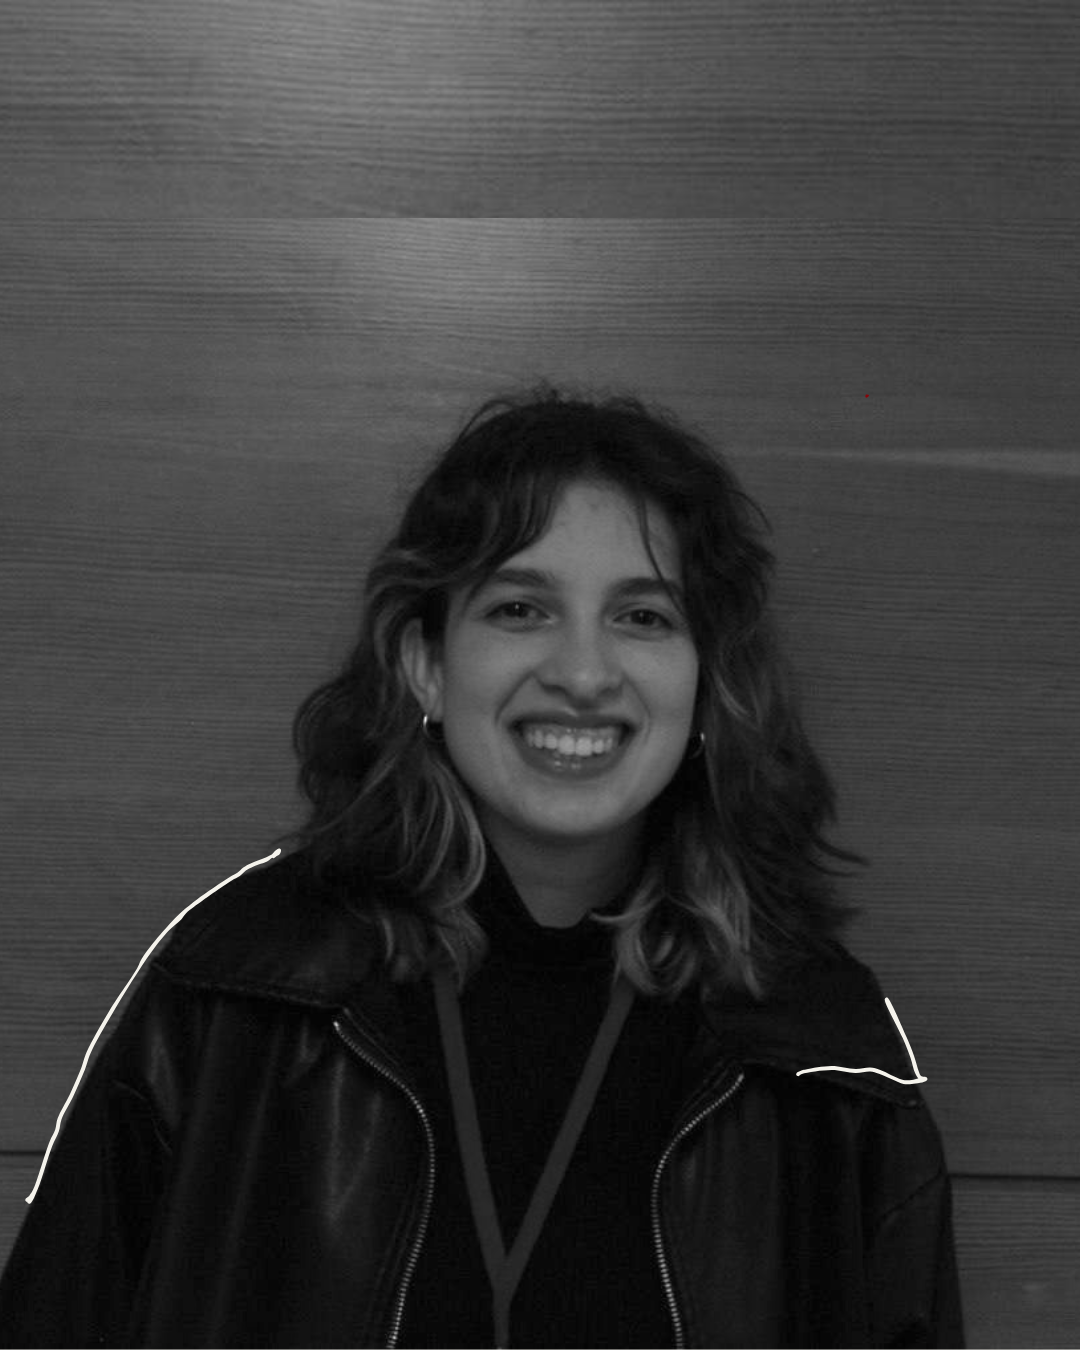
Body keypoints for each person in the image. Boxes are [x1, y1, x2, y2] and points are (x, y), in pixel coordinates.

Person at [0, 388, 964, 1348]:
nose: (584, 674)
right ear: (426, 663)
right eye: (519, 608)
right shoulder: (230, 992)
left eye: (642, 617)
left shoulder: (825, 1051)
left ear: (708, 677)